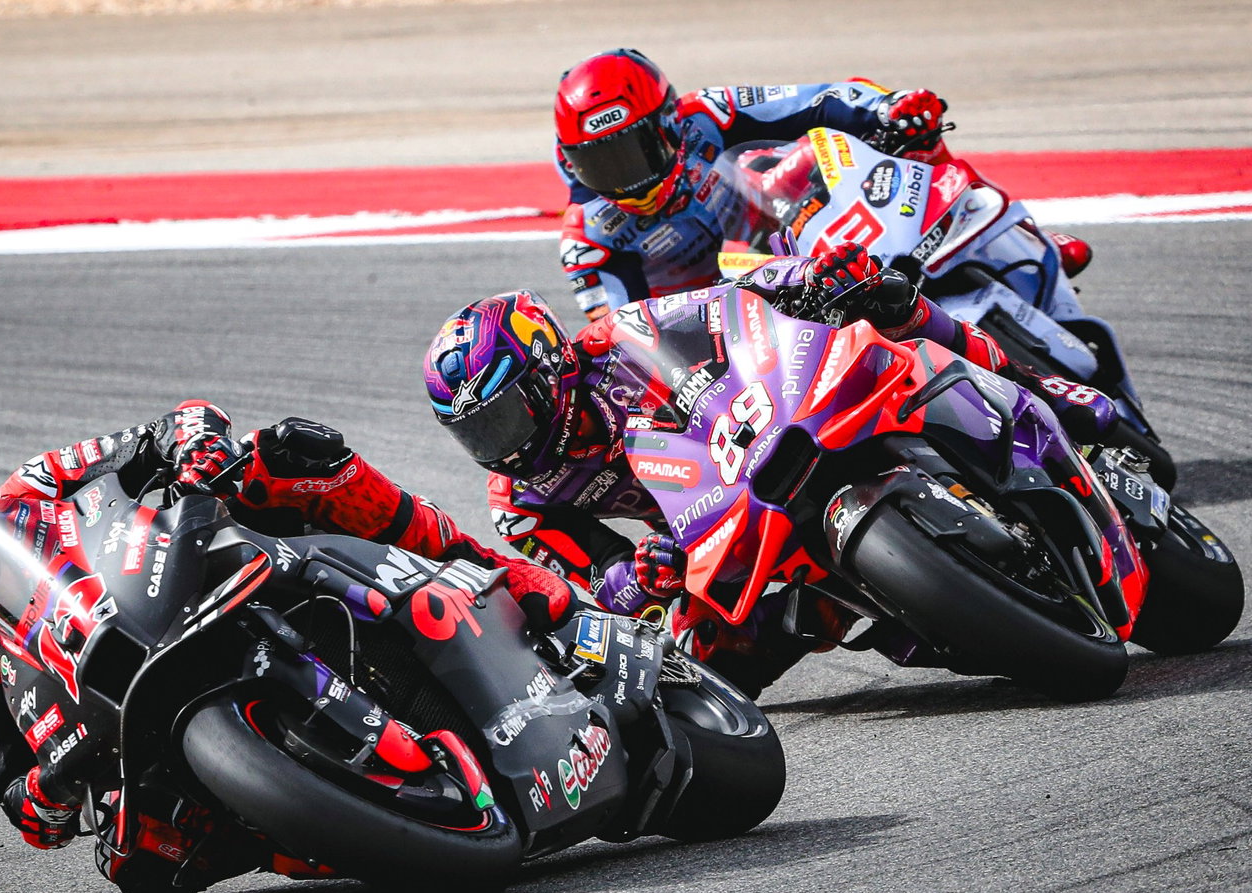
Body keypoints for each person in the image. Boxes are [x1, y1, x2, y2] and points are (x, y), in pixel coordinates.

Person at [0, 401, 573, 893]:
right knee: (138, 874)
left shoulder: (35, 487)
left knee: (287, 460)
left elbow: (169, 425)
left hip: (175, 589)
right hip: (111, 740)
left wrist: (195, 450)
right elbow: (22, 808)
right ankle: (323, 830)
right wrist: (47, 791)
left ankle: (497, 571)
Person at [424, 243, 1116, 695]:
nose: (504, 444)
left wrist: (812, 278)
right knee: (697, 661)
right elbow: (586, 585)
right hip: (709, 521)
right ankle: (880, 607)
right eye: (479, 433)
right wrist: (639, 577)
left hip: (763, 422)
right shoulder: (520, 499)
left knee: (887, 308)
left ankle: (1043, 391)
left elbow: (732, 300)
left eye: (506, 416)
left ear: (549, 370)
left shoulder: (619, 337)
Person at [552, 48, 1091, 321]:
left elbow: (818, 99)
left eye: (633, 152)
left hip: (788, 244)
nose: (626, 179)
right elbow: (622, 335)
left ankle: (1005, 238)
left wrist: (888, 107)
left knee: (897, 132)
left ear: (668, 123)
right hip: (728, 322)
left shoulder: (708, 114)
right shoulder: (589, 241)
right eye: (601, 163)